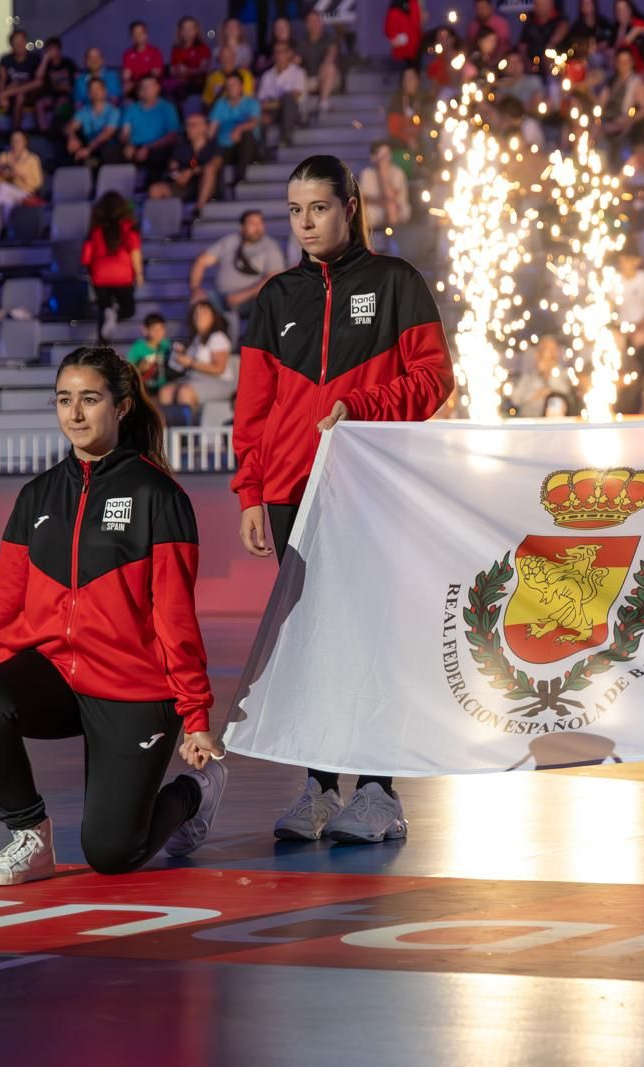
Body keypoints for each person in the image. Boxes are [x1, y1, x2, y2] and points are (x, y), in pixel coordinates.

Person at [233, 155, 454, 843]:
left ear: (350, 206)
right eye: (295, 210)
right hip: (291, 493)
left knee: (372, 637)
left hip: (373, 489)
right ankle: (321, 789)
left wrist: (359, 405)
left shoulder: (396, 282)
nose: (304, 223)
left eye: (318, 208)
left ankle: (381, 794)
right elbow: (255, 407)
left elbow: (432, 379)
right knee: (311, 643)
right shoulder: (274, 297)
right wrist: (249, 489)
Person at [0, 347, 224, 885]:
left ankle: (196, 793)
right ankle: (29, 836)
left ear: (122, 407)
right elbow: (7, 603)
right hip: (59, 676)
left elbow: (175, 617)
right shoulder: (37, 496)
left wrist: (195, 717)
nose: (74, 414)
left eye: (90, 399)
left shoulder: (157, 495)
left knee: (111, 853)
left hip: (133, 688)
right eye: (64, 400)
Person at [189, 210, 285, 317]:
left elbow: (273, 277)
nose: (257, 227)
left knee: (270, 300)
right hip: (223, 296)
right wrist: (195, 288)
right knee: (198, 302)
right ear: (242, 227)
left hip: (252, 298)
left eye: (260, 223)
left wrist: (241, 296)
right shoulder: (229, 241)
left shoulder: (270, 246)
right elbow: (201, 261)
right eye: (252, 223)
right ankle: (208, 334)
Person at [82, 192, 143, 343]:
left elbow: (86, 257)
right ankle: (115, 314)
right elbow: (135, 252)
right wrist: (139, 274)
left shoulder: (95, 230)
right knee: (128, 310)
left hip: (100, 277)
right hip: (123, 277)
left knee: (103, 310)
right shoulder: (129, 228)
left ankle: (102, 344)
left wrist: (91, 273)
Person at [157, 301, 233, 419]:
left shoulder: (218, 337)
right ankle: (169, 432)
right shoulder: (196, 340)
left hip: (218, 381)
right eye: (196, 313)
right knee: (165, 391)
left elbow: (219, 369)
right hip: (195, 379)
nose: (199, 316)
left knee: (185, 392)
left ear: (213, 316)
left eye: (203, 313)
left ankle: (187, 434)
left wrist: (191, 363)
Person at [154, 113, 224, 218]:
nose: (188, 128)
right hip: (184, 186)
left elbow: (216, 164)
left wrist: (191, 172)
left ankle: (199, 207)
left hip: (205, 185)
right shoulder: (181, 147)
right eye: (187, 125)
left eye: (193, 125)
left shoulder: (214, 146)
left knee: (209, 169)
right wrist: (177, 176)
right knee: (155, 190)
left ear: (204, 127)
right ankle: (164, 222)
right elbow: (172, 168)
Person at [121, 75, 182, 183]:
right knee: (115, 151)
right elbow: (125, 132)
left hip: (157, 146)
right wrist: (128, 144)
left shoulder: (167, 108)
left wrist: (148, 147)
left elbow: (173, 135)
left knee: (159, 155)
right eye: (143, 87)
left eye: (149, 86)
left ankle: (153, 190)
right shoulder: (132, 108)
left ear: (157, 88)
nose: (146, 90)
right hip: (135, 146)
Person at [209, 72, 261, 188]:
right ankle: (216, 192)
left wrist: (239, 128)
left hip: (245, 146)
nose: (230, 87)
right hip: (225, 147)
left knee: (246, 134)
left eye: (234, 84)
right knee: (213, 148)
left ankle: (241, 177)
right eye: (228, 85)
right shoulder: (220, 104)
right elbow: (212, 129)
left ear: (241, 87)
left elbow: (254, 122)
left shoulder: (251, 103)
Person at [258, 41, 311, 146]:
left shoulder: (298, 72)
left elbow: (295, 96)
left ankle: (285, 139)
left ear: (289, 53)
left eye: (281, 52)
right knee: (257, 116)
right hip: (273, 112)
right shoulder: (266, 76)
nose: (278, 55)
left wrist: (273, 103)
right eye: (276, 52)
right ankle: (261, 153)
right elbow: (261, 101)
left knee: (288, 100)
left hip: (293, 111)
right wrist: (273, 104)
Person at [66, 78, 125, 167]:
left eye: (98, 89)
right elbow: (71, 126)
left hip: (107, 148)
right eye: (92, 90)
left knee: (108, 149)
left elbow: (106, 134)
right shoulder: (83, 111)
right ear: (88, 94)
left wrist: (88, 149)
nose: (95, 92)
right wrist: (71, 137)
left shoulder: (113, 111)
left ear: (105, 91)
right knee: (69, 147)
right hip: (90, 147)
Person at [0, 130, 43, 223]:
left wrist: (19, 174)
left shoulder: (33, 159)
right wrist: (6, 175)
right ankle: (8, 228)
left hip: (25, 193)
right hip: (8, 190)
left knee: (3, 189)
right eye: (13, 140)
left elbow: (37, 183)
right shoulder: (4, 156)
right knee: (7, 201)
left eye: (18, 140)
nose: (15, 143)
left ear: (25, 142)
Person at [0, 30, 41, 129]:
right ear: (11, 45)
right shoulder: (5, 59)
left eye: (22, 41)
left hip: (31, 94)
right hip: (12, 94)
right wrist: (2, 96)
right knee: (19, 96)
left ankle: (16, 131)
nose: (19, 45)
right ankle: (16, 131)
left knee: (24, 92)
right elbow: (2, 79)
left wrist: (8, 92)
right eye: (16, 42)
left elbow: (38, 82)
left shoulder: (34, 58)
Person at [164, 17, 212, 102]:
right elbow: (173, 68)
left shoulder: (203, 48)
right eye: (185, 28)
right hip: (178, 82)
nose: (187, 31)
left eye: (191, 28)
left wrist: (188, 71)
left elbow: (203, 69)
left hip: (196, 83)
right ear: (180, 31)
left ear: (196, 30)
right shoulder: (176, 49)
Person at [128, 312, 171, 386]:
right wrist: (140, 369)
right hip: (145, 387)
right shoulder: (138, 347)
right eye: (154, 329)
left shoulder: (168, 345)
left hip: (165, 387)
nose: (158, 333)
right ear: (146, 330)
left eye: (161, 328)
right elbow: (128, 370)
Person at [121, 21, 165, 88]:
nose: (138, 36)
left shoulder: (155, 52)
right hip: (135, 86)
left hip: (150, 84)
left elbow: (156, 73)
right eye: (135, 34)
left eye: (141, 33)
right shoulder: (128, 54)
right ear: (131, 37)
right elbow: (126, 75)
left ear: (146, 35)